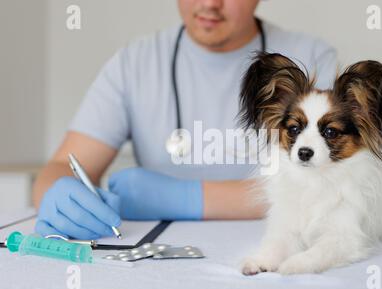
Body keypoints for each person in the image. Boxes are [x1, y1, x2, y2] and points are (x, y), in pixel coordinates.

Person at [32, 0, 337, 240]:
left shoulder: (310, 58)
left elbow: (333, 188)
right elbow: (62, 167)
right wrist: (60, 196)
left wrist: (186, 198)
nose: (209, 3)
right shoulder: (135, 62)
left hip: (280, 245)